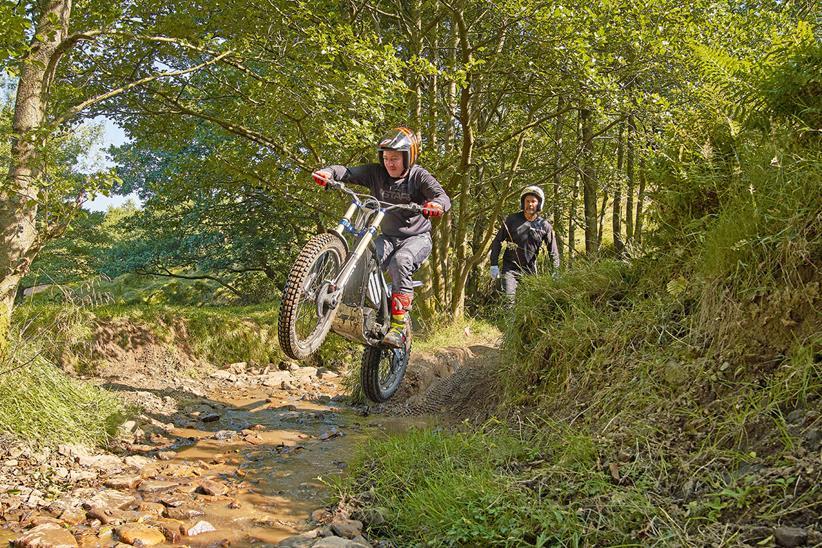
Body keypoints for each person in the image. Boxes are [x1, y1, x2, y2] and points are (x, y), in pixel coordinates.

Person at [312, 127, 451, 348]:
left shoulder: (419, 176)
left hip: (417, 239)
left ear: (408, 157)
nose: (389, 163)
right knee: (364, 257)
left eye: (395, 158)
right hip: (387, 236)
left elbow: (441, 196)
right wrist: (328, 172)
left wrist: (436, 205)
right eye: (386, 158)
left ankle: (399, 325)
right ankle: (361, 309)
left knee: (401, 261)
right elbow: (347, 172)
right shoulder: (376, 173)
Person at [489, 185, 560, 305]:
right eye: (527, 201)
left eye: (533, 201)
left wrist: (555, 270)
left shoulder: (544, 225)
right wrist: (494, 264)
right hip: (510, 269)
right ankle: (507, 324)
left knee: (531, 304)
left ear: (539, 204)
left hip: (530, 270)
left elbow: (553, 250)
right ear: (523, 203)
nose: (530, 204)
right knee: (509, 302)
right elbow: (497, 242)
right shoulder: (512, 220)